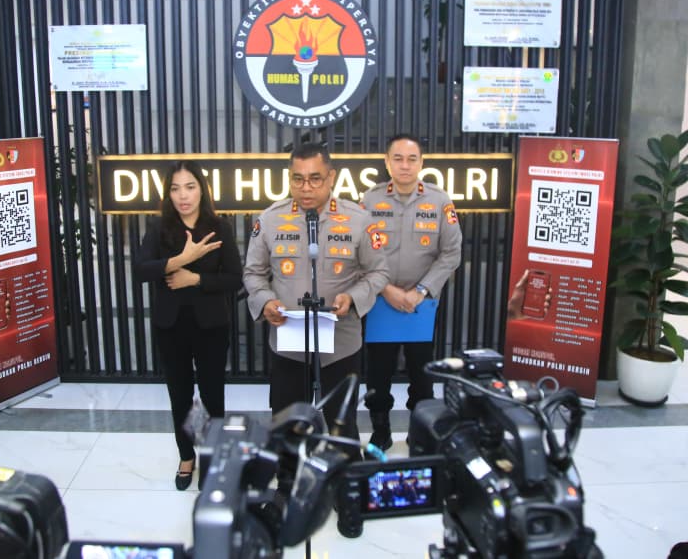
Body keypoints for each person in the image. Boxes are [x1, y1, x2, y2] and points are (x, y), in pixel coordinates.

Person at [243, 142, 388, 450]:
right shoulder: (269, 219)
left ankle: (343, 479)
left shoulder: (359, 220)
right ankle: (287, 479)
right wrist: (265, 300)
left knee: (342, 429)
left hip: (340, 345)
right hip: (289, 345)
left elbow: (379, 272)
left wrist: (353, 298)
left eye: (315, 179)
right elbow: (253, 273)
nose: (306, 187)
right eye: (298, 179)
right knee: (286, 430)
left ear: (331, 177)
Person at [136, 161, 242, 490]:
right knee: (180, 396)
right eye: (175, 188)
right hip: (170, 327)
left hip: (211, 326)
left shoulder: (220, 227)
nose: (183, 196)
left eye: (190, 187)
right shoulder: (158, 227)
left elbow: (234, 278)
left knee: (212, 397)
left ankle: (212, 456)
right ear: (168, 193)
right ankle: (186, 456)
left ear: (202, 190)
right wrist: (183, 259)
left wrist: (194, 279)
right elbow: (140, 270)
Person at [360, 134, 463, 451]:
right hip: (381, 301)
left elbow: (451, 253)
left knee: (422, 376)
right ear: (387, 162)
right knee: (378, 375)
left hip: (422, 304)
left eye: (411, 159)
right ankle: (380, 431)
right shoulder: (370, 201)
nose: (404, 165)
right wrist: (387, 289)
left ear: (421, 162)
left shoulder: (439, 200)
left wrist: (421, 291)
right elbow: (359, 252)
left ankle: (420, 433)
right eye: (398, 158)